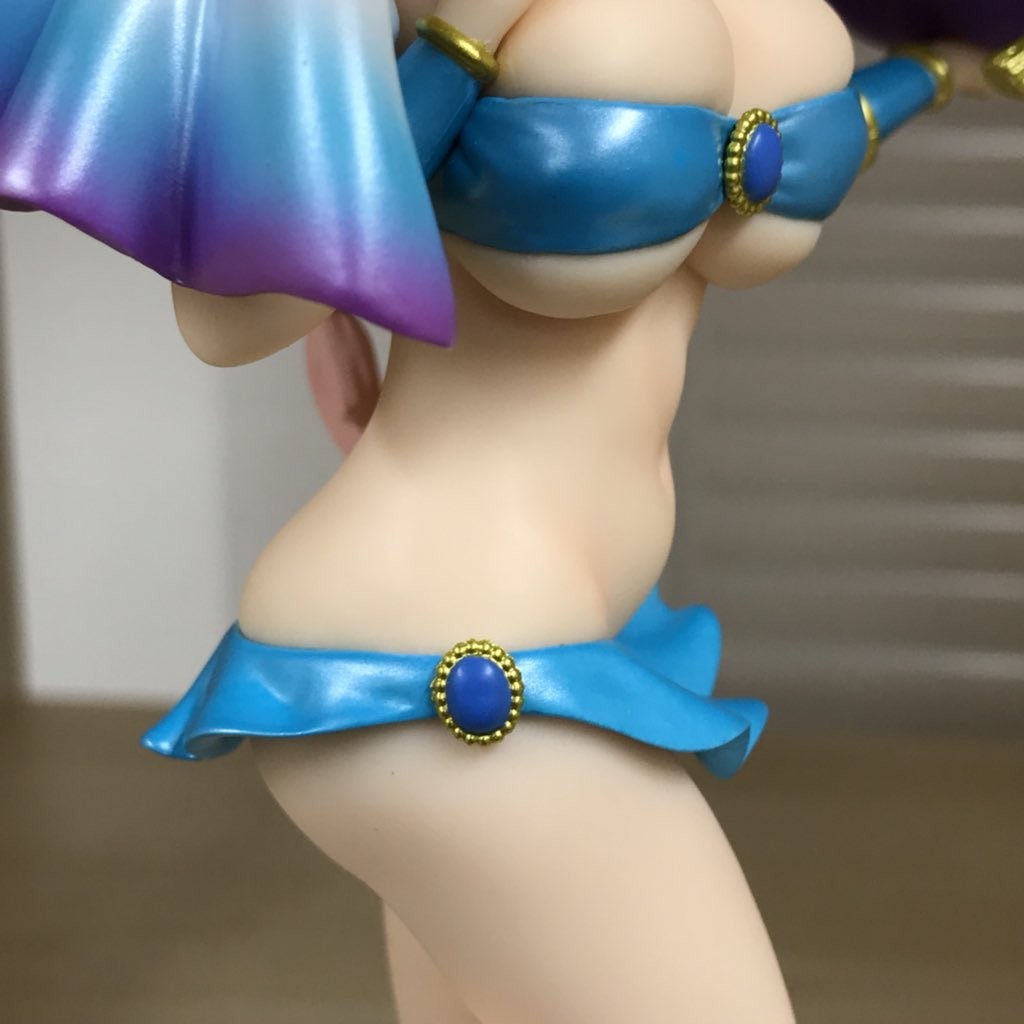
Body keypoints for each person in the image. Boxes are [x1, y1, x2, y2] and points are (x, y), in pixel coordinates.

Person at [3, 2, 1011, 1020]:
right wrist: (454, 55)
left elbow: (806, 138)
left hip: (550, 637)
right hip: (449, 663)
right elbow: (229, 320)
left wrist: (941, 73)